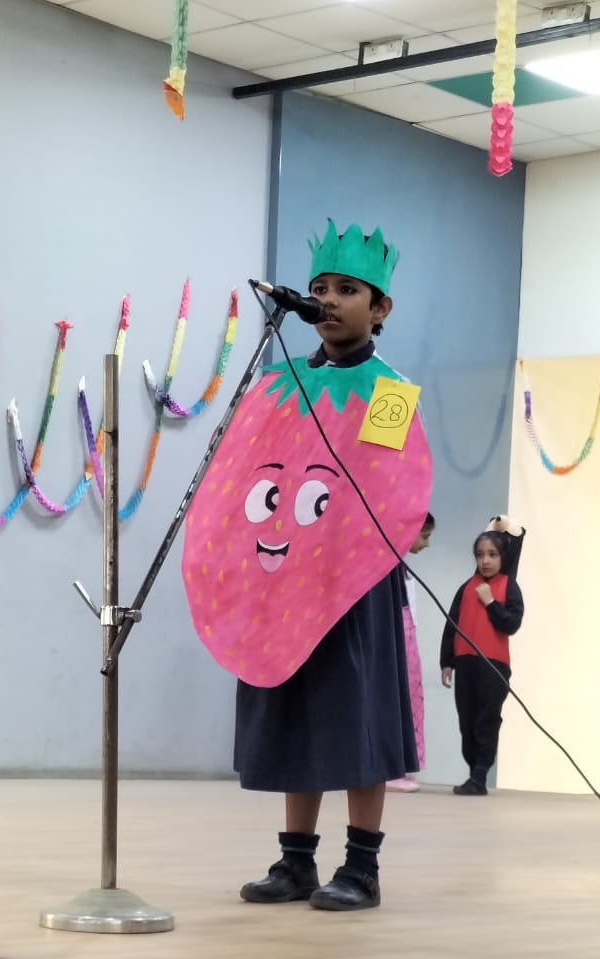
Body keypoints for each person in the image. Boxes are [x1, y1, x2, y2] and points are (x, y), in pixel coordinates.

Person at [187, 219, 432, 912]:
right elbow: (243, 474)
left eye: (347, 290)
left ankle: (361, 866)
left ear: (379, 308)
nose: (327, 300)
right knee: (297, 707)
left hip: (354, 581)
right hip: (284, 576)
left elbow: (387, 487)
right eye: (320, 287)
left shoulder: (390, 393)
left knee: (356, 713)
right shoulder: (276, 383)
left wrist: (337, 546)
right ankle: (295, 861)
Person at [440, 525, 524, 796]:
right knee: (466, 720)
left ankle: (479, 775)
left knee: (486, 720)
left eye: (492, 554)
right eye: (480, 554)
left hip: (493, 665)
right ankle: (473, 772)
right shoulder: (466, 587)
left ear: (503, 557)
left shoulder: (509, 587)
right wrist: (447, 661)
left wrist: (491, 603)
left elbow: (511, 624)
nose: (485, 560)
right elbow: (452, 624)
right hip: (465, 662)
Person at [386, 512, 435, 794]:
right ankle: (391, 768)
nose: (426, 544)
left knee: (410, 697)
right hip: (397, 636)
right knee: (396, 697)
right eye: (424, 536)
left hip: (407, 635)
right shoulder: (388, 564)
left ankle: (400, 766)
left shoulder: (400, 565)